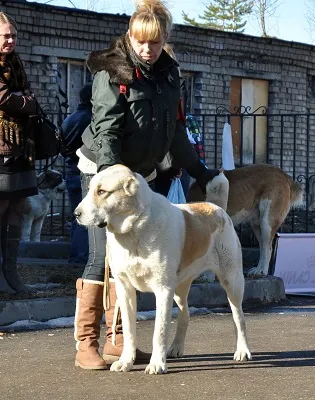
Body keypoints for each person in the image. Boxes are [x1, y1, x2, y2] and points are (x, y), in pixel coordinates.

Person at [74, 0, 220, 370]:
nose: (146, 49)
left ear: (164, 39)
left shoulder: (170, 75)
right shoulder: (113, 71)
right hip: (104, 175)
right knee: (102, 258)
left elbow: (175, 134)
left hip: (139, 182)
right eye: (140, 41)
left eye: (154, 43)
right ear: (130, 36)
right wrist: (109, 177)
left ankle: (120, 341)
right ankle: (86, 343)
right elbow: (106, 128)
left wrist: (200, 171)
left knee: (139, 260)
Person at [0, 11, 38, 294]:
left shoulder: (16, 63)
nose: (10, 40)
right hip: (1, 151)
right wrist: (25, 103)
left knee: (16, 210)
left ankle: (11, 273)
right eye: (5, 36)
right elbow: (4, 98)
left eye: (13, 35)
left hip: (19, 150)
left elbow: (25, 97)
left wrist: (23, 101)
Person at [60, 84, 92, 265]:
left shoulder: (70, 119)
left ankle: (76, 256)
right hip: (84, 171)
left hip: (71, 169)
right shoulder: (90, 119)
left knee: (77, 216)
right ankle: (80, 258)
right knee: (86, 216)